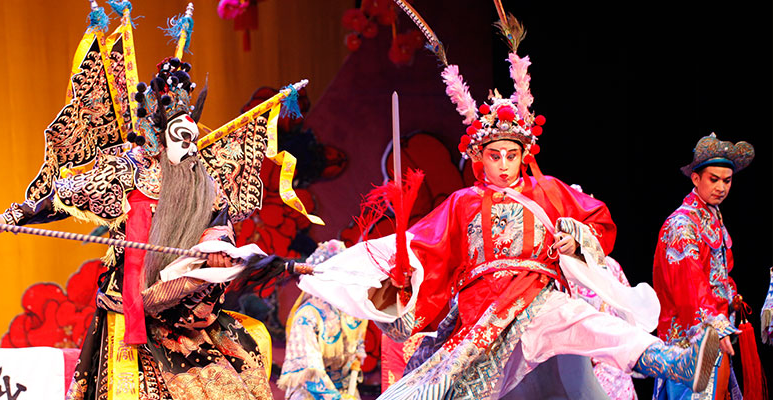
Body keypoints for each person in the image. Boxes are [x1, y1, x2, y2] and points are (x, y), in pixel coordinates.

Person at [298, 5, 722, 398]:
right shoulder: (463, 203)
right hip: (483, 312)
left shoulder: (548, 191)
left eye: (511, 155)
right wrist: (402, 278)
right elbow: (422, 247)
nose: (503, 165)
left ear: (524, 155)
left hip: (538, 295)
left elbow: (598, 224)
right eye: (494, 156)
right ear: (480, 158)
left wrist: (575, 239)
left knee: (593, 324)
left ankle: (675, 361)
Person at [0, 3, 312, 398]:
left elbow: (219, 227)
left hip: (184, 309)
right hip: (130, 307)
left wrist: (218, 252)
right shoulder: (128, 169)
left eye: (191, 134)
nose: (188, 143)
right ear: (159, 133)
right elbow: (61, 196)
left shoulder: (205, 181)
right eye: (179, 135)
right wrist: (8, 217)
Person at [652, 133, 755, 399]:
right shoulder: (682, 224)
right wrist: (714, 328)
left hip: (714, 328)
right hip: (692, 337)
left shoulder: (711, 216)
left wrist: (731, 299)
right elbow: (690, 284)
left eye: (727, 180)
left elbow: (720, 272)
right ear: (695, 178)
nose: (721, 187)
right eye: (714, 179)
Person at [279, 240, 367, 400]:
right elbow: (310, 371)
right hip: (313, 394)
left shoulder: (351, 308)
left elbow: (358, 344)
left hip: (347, 390)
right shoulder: (307, 316)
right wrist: (337, 399)